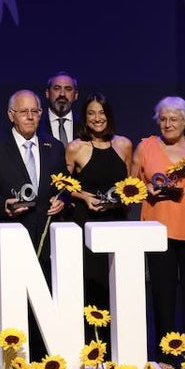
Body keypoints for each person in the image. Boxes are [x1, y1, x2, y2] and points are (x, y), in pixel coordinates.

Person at [0, 90, 68, 358]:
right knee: (8, 308)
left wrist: (64, 199)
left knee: (43, 310)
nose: (30, 117)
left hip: (45, 243)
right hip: (8, 240)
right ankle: (6, 366)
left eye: (35, 111)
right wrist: (3, 204)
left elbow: (65, 186)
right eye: (24, 112)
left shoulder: (54, 147)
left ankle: (42, 365)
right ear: (11, 115)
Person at [131, 96, 185, 358]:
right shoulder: (146, 147)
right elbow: (129, 186)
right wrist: (144, 189)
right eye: (163, 119)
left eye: (174, 119)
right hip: (158, 233)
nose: (168, 124)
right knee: (163, 295)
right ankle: (166, 354)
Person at [65, 93, 134, 323]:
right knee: (91, 285)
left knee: (118, 285)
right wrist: (84, 196)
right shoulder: (75, 147)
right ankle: (92, 345)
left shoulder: (124, 145)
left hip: (116, 224)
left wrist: (126, 199)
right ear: (84, 118)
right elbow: (63, 186)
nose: (97, 118)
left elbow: (130, 183)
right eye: (91, 113)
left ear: (109, 115)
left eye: (102, 112)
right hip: (87, 224)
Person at [43, 71, 79, 144]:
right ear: (47, 93)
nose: (62, 94)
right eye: (57, 88)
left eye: (68, 89)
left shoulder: (85, 125)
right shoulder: (37, 125)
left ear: (76, 95)